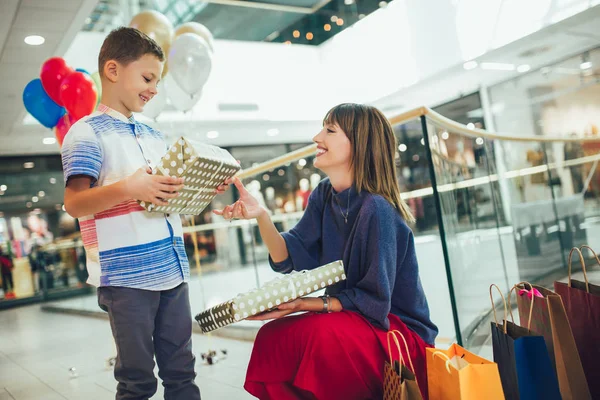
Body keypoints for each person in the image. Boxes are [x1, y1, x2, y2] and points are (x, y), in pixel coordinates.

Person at [215, 103, 438, 400]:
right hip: (353, 318)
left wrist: (303, 304)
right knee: (273, 337)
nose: (317, 137)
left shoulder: (377, 209)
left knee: (317, 338)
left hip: (398, 334)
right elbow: (287, 256)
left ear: (359, 144)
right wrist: (261, 216)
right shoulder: (324, 193)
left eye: (330, 130)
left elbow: (374, 303)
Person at [61, 27, 205, 400]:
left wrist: (196, 188)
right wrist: (128, 187)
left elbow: (160, 197)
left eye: (157, 80)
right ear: (112, 70)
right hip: (125, 279)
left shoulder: (155, 134)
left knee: (182, 372)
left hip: (173, 268)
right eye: (147, 77)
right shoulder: (85, 133)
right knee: (137, 380)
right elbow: (75, 203)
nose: (154, 88)